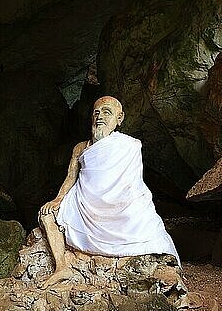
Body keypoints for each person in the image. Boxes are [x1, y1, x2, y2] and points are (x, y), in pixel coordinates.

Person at [38, 96, 180, 288]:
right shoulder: (81, 147)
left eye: (107, 112)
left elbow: (133, 184)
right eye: (96, 112)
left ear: (119, 118)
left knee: (143, 221)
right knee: (47, 215)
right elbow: (71, 177)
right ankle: (61, 267)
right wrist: (57, 200)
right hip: (83, 203)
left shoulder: (129, 145)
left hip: (118, 205)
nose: (100, 117)